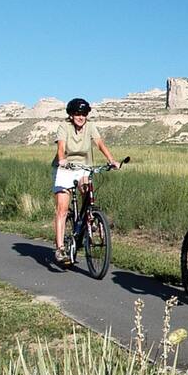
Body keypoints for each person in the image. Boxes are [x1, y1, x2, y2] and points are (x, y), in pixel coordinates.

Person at [52, 98, 121, 264]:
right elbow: (61, 147)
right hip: (65, 167)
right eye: (77, 114)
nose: (81, 117)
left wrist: (112, 160)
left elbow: (100, 143)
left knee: (87, 192)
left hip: (83, 167)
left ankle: (88, 219)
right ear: (71, 115)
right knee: (62, 208)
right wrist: (62, 159)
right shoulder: (64, 127)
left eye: (84, 114)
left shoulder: (90, 127)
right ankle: (60, 248)